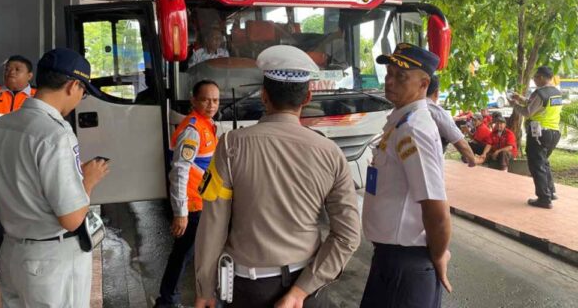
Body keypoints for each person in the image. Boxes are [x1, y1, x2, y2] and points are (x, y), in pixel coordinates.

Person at [194, 45, 360, 308]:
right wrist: (300, 292)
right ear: (307, 98)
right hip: (306, 291)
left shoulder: (230, 146)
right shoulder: (331, 153)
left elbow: (212, 225)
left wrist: (205, 288)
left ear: (263, 96)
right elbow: (348, 235)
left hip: (248, 289)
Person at [0, 48, 109, 307]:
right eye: (83, 92)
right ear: (73, 85)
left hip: (12, 254)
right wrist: (89, 179)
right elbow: (72, 219)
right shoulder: (56, 134)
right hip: (52, 263)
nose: (80, 98)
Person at [361, 43, 452, 308]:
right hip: (391, 259)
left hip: (407, 265)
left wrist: (438, 255)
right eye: (389, 73)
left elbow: (436, 209)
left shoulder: (414, 130)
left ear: (423, 84)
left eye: (401, 77)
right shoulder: (401, 122)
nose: (390, 81)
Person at [154, 80, 220, 308]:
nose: (211, 104)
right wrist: (180, 212)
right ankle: (167, 301)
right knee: (183, 255)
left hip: (203, 202)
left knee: (188, 254)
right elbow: (180, 171)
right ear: (194, 100)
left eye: (215, 100)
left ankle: (169, 299)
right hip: (192, 206)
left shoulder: (206, 124)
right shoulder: (192, 130)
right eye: (205, 99)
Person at [0, 55, 35, 288]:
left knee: (23, 220)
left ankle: (22, 268)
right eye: (8, 68)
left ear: (29, 76)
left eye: (17, 69)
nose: (10, 72)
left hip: (23, 172)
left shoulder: (37, 98)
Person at [509, 66, 562, 209]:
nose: (534, 80)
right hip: (554, 133)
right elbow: (538, 106)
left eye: (536, 77)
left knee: (536, 165)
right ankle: (550, 192)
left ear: (543, 77)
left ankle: (544, 198)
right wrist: (521, 98)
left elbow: (527, 112)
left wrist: (515, 104)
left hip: (539, 133)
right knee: (544, 162)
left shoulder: (539, 93)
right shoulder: (556, 92)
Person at [426, 75, 476, 166]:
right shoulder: (435, 111)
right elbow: (459, 141)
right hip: (429, 162)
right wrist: (472, 159)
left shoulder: (403, 108)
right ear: (436, 92)